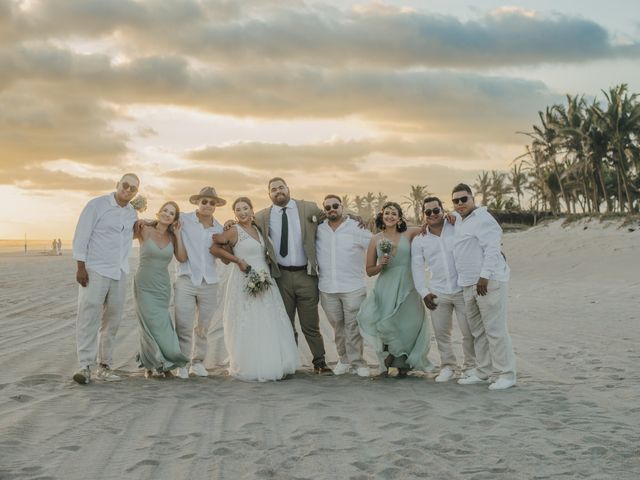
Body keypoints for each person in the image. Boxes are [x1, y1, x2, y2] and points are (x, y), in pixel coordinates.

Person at [210, 197, 300, 381]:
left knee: (269, 318)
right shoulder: (234, 230)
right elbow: (215, 249)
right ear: (234, 213)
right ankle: (252, 363)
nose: (242, 212)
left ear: (252, 210)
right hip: (243, 278)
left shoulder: (259, 230)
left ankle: (275, 361)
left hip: (265, 278)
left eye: (245, 208)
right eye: (238, 210)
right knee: (249, 319)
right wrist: (237, 261)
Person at [253, 177, 332, 375]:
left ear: (288, 189)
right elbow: (244, 226)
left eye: (281, 187)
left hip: (306, 274)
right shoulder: (262, 216)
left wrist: (354, 217)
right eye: (273, 189)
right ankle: (290, 362)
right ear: (269, 194)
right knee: (285, 323)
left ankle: (320, 362)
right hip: (280, 277)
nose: (278, 191)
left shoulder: (308, 208)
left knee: (310, 324)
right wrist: (229, 223)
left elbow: (332, 214)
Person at [71, 173, 140, 384]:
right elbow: (81, 235)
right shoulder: (97, 205)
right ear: (117, 185)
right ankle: (85, 366)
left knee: (113, 321)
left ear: (136, 193)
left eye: (133, 189)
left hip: (119, 271)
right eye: (125, 185)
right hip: (95, 269)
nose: (127, 190)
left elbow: (130, 235)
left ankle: (105, 366)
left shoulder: (131, 212)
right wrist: (80, 267)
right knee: (88, 317)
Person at [450, 183, 517, 390]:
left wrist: (484, 277)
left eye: (464, 199)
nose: (460, 204)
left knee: (495, 330)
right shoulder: (460, 220)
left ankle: (506, 374)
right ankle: (483, 371)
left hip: (486, 283)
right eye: (456, 200)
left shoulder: (483, 219)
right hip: (467, 284)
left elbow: (492, 249)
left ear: (473, 198)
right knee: (478, 332)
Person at [357, 202, 433, 377]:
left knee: (409, 324)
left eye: (394, 213)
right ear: (382, 216)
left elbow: (429, 224)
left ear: (399, 217)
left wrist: (451, 216)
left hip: (408, 284)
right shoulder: (375, 239)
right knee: (386, 323)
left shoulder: (410, 232)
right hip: (386, 286)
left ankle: (404, 362)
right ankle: (389, 362)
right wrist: (380, 265)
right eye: (387, 213)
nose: (390, 216)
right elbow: (369, 271)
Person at [411, 196, 476, 383]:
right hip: (438, 291)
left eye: (436, 210)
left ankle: (470, 367)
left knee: (468, 331)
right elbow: (416, 267)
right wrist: (423, 292)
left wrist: (454, 213)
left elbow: (472, 214)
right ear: (424, 215)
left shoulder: (457, 226)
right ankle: (448, 366)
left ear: (442, 210)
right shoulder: (420, 239)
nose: (432, 214)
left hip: (462, 288)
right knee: (441, 334)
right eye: (428, 212)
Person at [316, 194, 372, 377]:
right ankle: (344, 359)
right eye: (328, 207)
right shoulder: (318, 229)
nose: (332, 209)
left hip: (353, 286)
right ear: (324, 211)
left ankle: (358, 363)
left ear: (342, 207)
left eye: (335, 205)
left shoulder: (356, 226)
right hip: (327, 287)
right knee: (338, 327)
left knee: (353, 326)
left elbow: (374, 244)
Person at [174, 186, 226, 379]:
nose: (208, 205)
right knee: (184, 324)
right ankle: (181, 363)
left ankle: (198, 362)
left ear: (216, 206)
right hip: (186, 279)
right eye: (204, 201)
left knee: (203, 327)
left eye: (212, 202)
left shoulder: (219, 228)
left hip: (210, 282)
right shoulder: (184, 220)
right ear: (197, 202)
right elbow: (163, 220)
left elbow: (225, 250)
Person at [133, 201, 189, 378]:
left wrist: (178, 235)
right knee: (148, 325)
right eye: (165, 210)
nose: (167, 214)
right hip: (143, 284)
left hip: (162, 286)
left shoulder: (172, 237)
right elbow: (123, 232)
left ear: (174, 219)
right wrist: (141, 219)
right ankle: (151, 365)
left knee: (162, 324)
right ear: (159, 213)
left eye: (171, 213)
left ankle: (165, 364)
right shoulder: (144, 229)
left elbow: (181, 258)